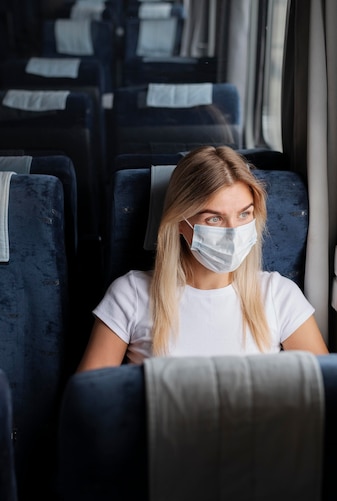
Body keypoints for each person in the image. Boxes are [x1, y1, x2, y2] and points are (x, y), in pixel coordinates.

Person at [77, 146, 328, 371]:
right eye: (214, 219)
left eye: (244, 214)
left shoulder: (279, 294)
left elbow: (325, 393)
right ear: (179, 223)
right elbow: (89, 402)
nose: (233, 232)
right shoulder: (130, 294)